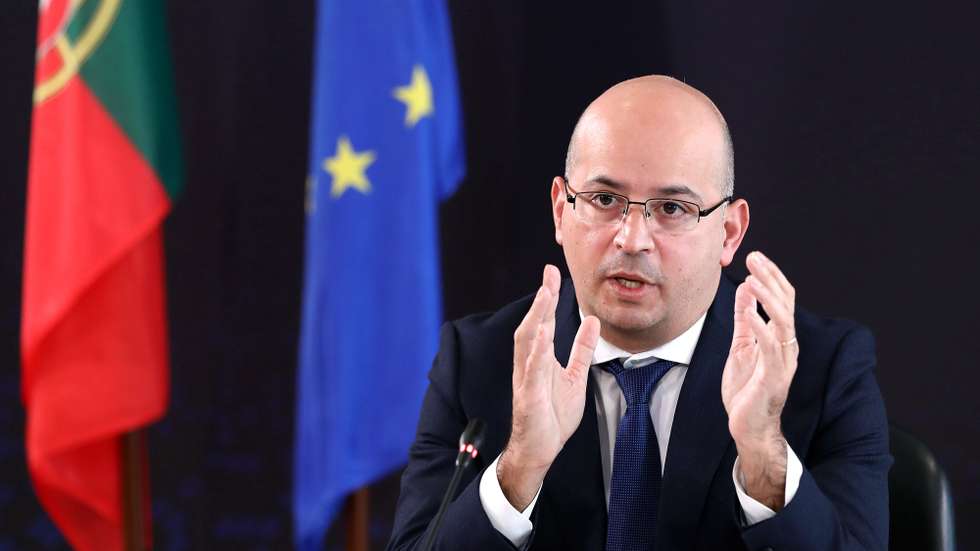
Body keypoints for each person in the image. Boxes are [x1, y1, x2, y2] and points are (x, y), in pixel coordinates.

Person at [387, 75, 891, 550]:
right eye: (605, 199)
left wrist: (764, 458)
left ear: (730, 234)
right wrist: (518, 469)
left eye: (672, 209)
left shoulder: (821, 371)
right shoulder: (479, 362)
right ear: (562, 211)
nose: (631, 239)